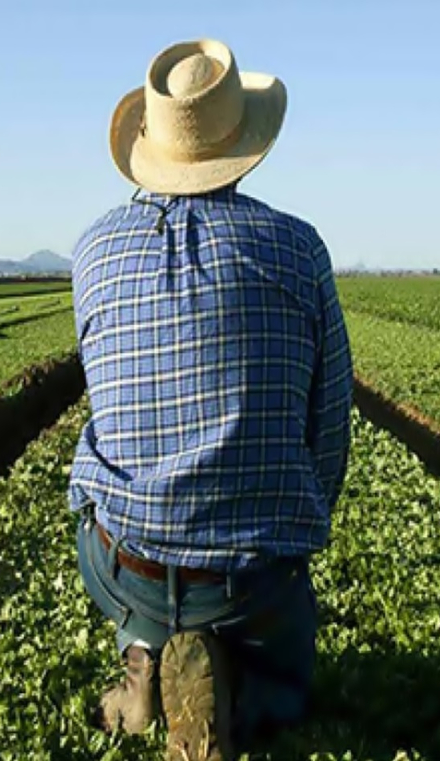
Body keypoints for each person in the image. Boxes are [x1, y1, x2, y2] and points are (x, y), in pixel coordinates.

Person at [68, 38, 352, 761]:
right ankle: (243, 694)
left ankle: (143, 654)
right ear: (245, 142)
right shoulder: (298, 248)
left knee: (104, 512)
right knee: (290, 681)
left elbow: (105, 399)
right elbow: (329, 430)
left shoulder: (94, 251)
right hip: (248, 581)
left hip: (123, 561)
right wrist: (293, 532)